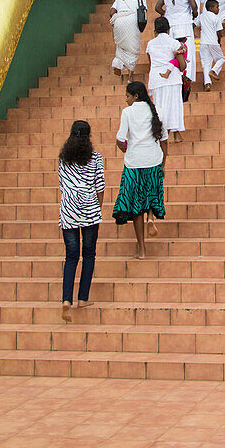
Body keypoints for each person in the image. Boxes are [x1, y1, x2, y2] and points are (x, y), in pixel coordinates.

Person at [113, 81, 167, 258]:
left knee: (136, 207)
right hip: (154, 159)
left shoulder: (127, 112)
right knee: (152, 194)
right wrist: (163, 163)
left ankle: (142, 250)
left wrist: (125, 148)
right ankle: (151, 217)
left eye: (127, 96)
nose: (126, 99)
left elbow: (121, 139)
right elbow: (164, 140)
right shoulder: (156, 110)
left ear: (135, 96)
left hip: (134, 163)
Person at [58, 120, 104, 323]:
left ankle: (66, 299)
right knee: (89, 254)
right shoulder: (96, 158)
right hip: (90, 209)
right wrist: (98, 207)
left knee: (71, 256)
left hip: (68, 208)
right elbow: (100, 185)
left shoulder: (63, 158)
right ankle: (82, 298)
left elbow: (62, 184)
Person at [146, 16, 186, 139]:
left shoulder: (150, 44)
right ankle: (175, 134)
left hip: (156, 78)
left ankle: (163, 134)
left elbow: (150, 63)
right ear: (168, 29)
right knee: (174, 106)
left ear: (155, 30)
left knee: (160, 107)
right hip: (172, 79)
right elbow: (182, 66)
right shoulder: (175, 43)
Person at [156, 0, 198, 82]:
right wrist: (194, 15)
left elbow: (157, 7)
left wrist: (167, 14)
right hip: (184, 25)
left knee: (172, 52)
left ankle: (172, 76)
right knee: (186, 53)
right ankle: (186, 78)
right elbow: (194, 6)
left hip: (171, 26)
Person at [109, 0, 144, 78]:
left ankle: (118, 64)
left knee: (121, 46)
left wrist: (116, 20)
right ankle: (130, 77)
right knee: (133, 50)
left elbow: (112, 12)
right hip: (132, 22)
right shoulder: (141, 0)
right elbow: (143, 16)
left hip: (119, 21)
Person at [199, 0, 225, 90]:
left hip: (203, 43)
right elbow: (220, 32)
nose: (218, 9)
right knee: (221, 58)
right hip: (213, 41)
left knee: (206, 64)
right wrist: (219, 42)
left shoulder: (201, 16)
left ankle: (207, 84)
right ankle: (214, 71)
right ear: (210, 8)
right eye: (217, 7)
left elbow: (195, 24)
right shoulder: (216, 17)